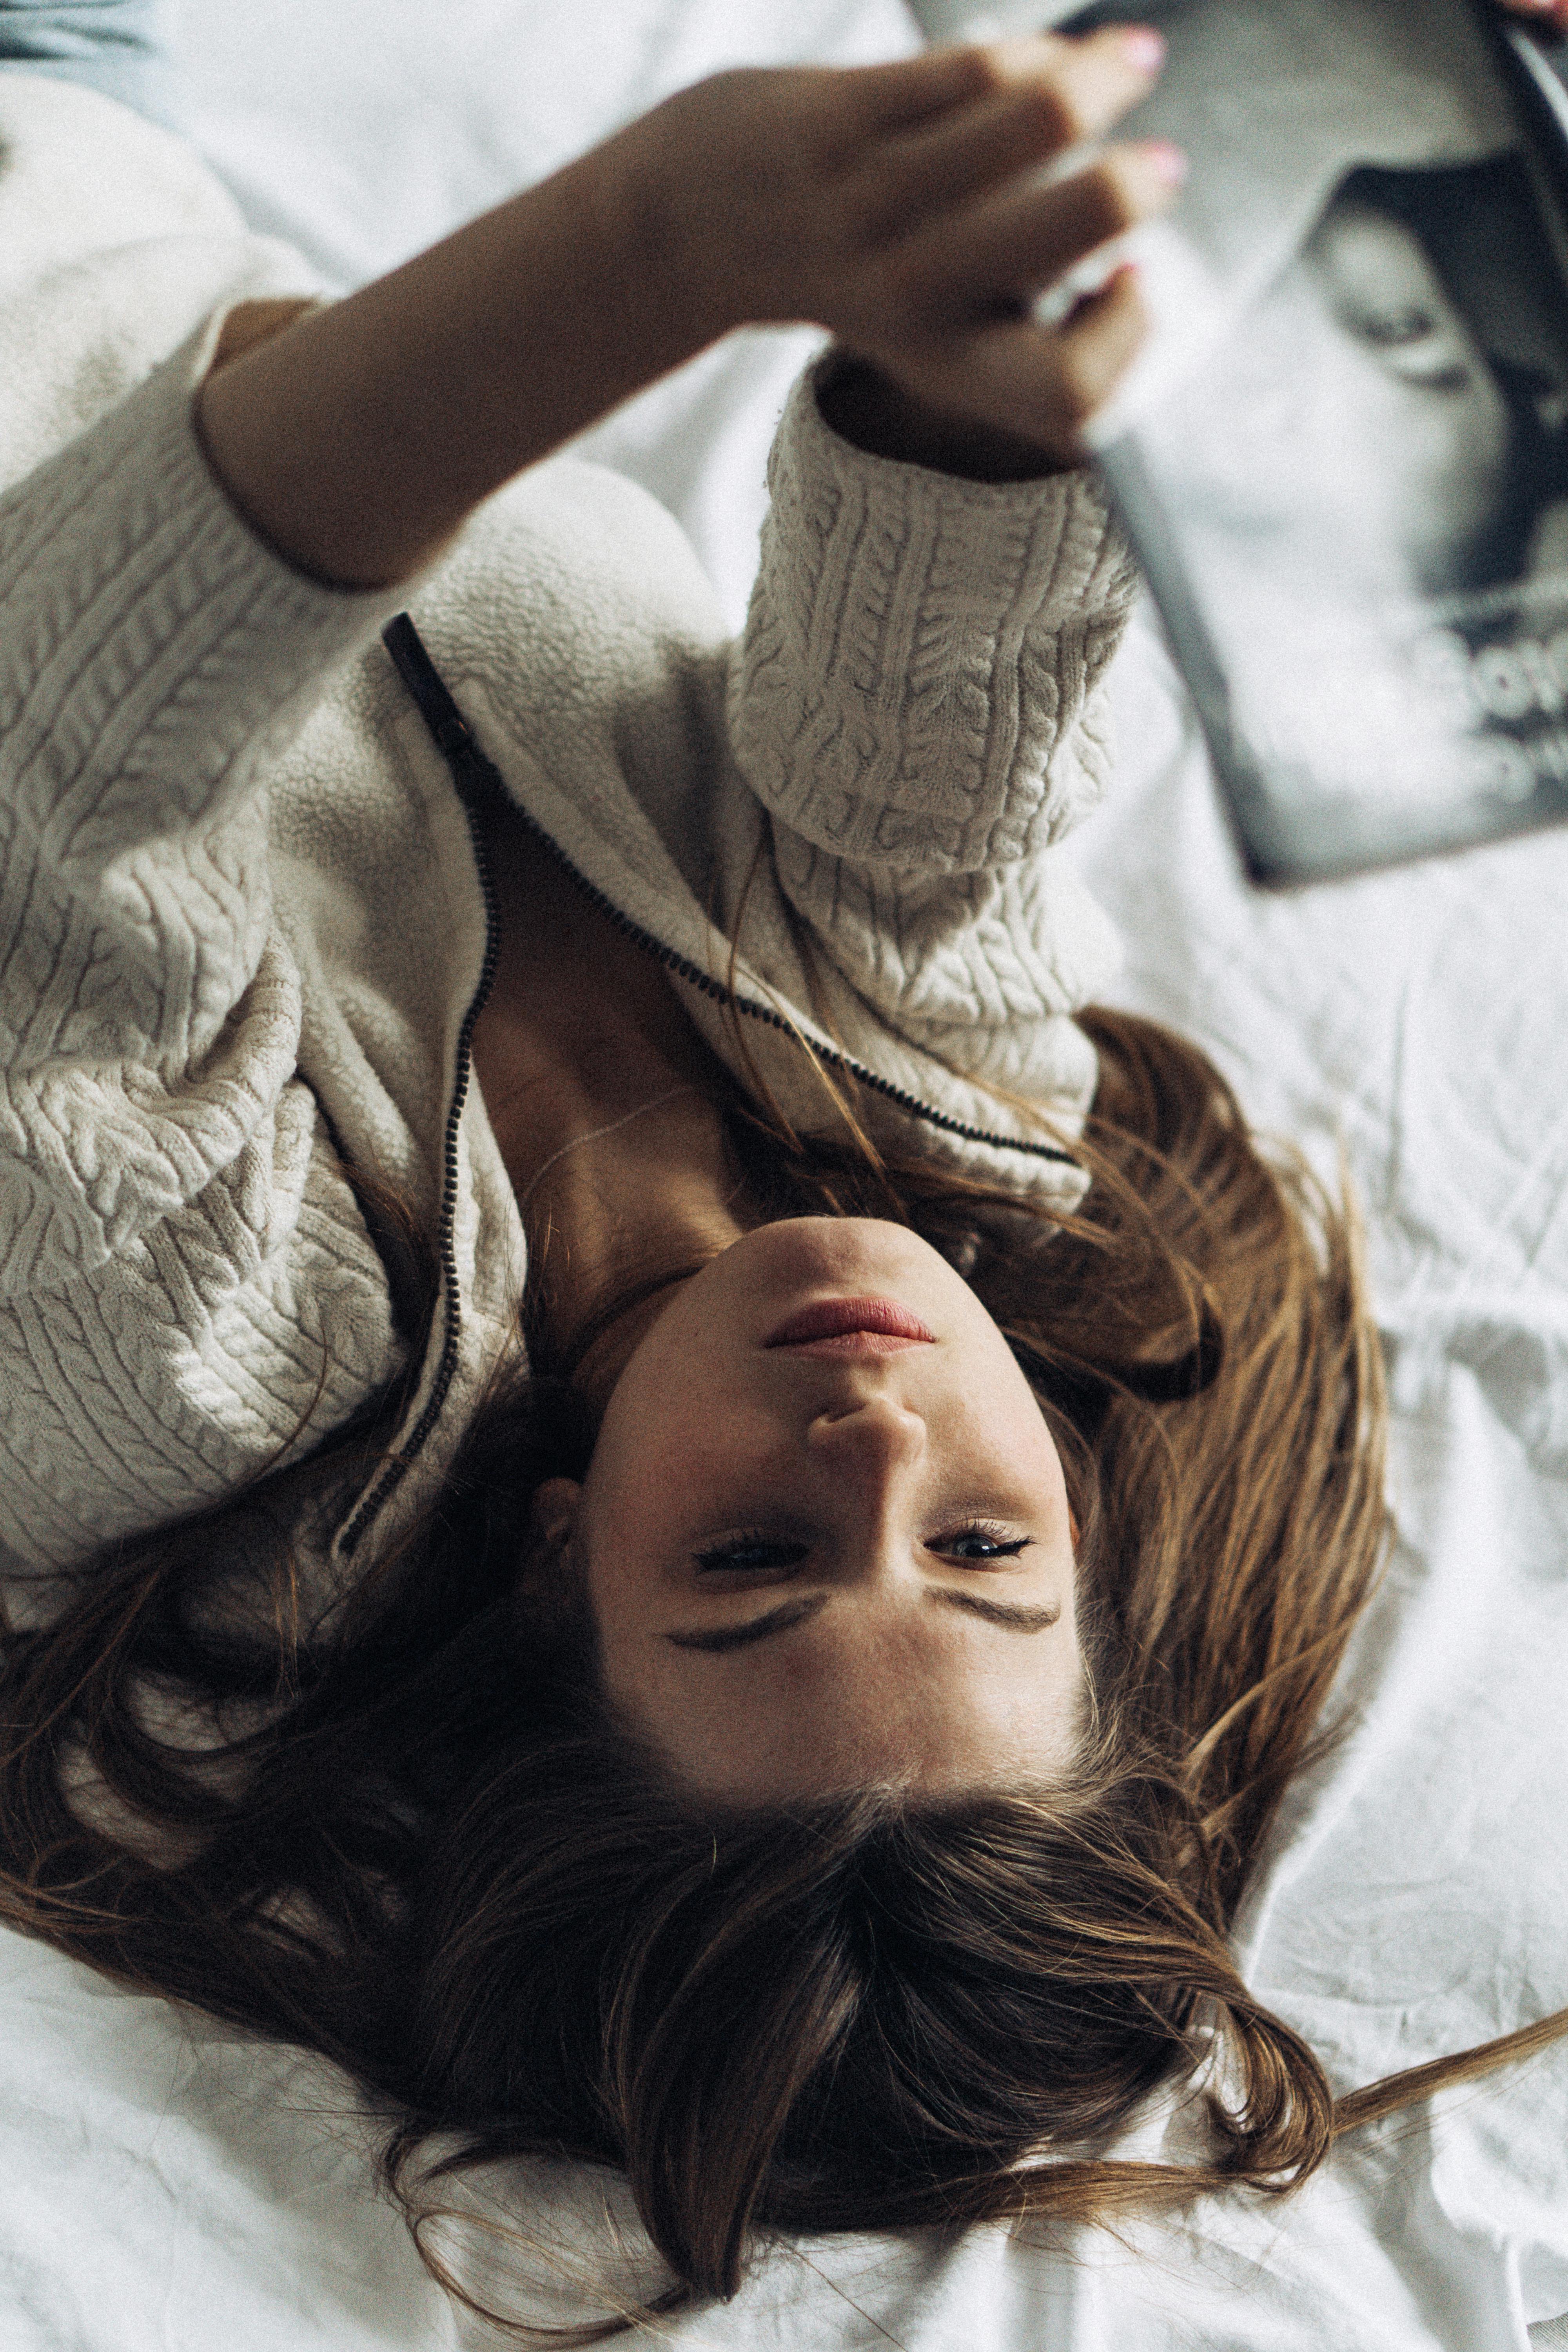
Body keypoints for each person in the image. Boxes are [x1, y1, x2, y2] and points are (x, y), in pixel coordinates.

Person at [0, 7, 1562, 2338]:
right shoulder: (939, 1114)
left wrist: (657, 246)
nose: (876, 1435)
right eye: (982, 1549)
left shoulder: (200, 1377)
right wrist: (1011, 330)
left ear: (559, 1570)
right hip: (105, 147)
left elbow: (49, 772)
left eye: (754, 1561)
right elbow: (940, 656)